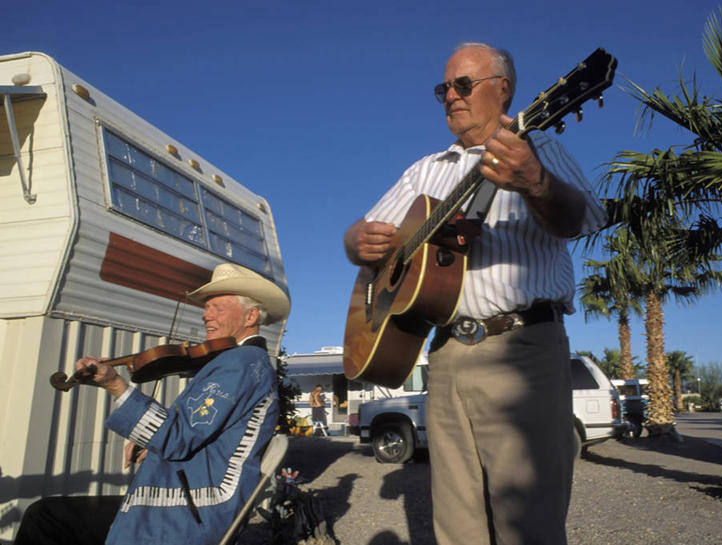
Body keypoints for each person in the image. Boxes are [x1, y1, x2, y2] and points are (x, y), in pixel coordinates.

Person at [343, 42, 605, 545]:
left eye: (464, 85)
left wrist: (536, 184)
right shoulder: (424, 171)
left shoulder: (539, 149)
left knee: (527, 523)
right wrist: (357, 243)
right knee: (455, 524)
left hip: (520, 351)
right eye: (444, 88)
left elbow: (583, 218)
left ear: (502, 89)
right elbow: (367, 235)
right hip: (444, 354)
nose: (451, 97)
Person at [14, 263, 290, 545]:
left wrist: (115, 385)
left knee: (46, 517)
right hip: (187, 496)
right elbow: (201, 432)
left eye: (217, 307)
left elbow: (177, 437)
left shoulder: (240, 364)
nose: (206, 315)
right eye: (206, 307)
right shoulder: (243, 362)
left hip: (191, 511)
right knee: (49, 515)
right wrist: (152, 443)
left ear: (251, 315)